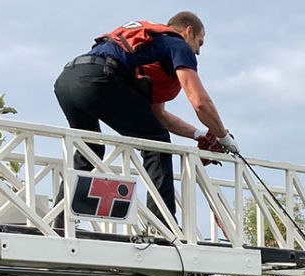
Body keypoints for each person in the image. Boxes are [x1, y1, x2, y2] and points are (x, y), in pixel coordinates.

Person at [53, 11, 237, 225]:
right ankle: (162, 225)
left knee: (90, 149)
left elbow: (160, 116)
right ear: (188, 32)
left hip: (67, 80)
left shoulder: (150, 47)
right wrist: (223, 137)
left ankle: (59, 219)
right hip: (98, 79)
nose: (197, 52)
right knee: (158, 143)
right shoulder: (177, 45)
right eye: (200, 43)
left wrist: (198, 134)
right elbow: (200, 102)